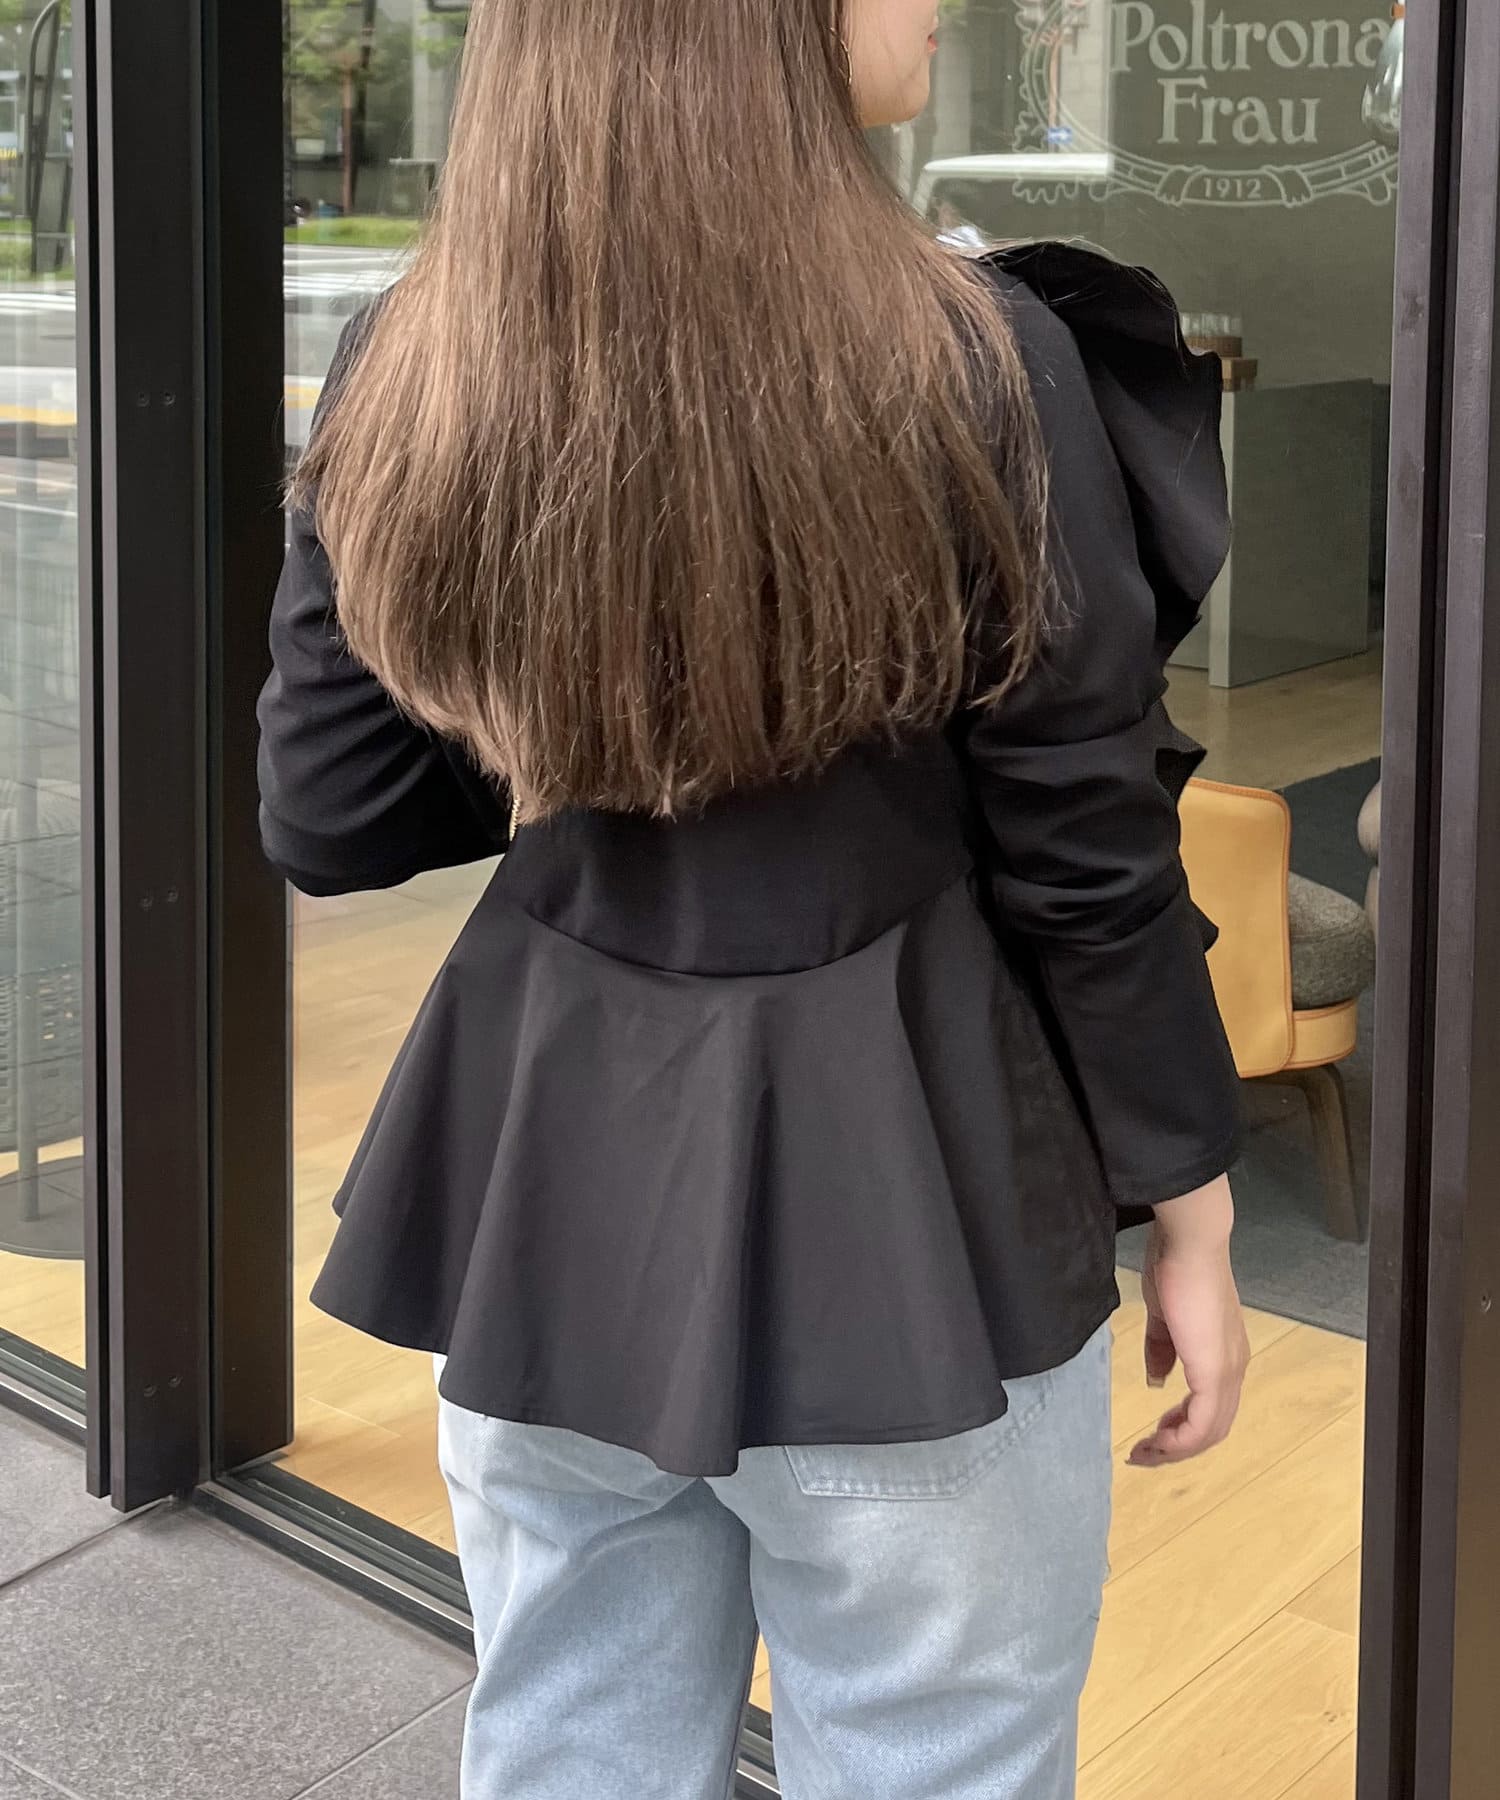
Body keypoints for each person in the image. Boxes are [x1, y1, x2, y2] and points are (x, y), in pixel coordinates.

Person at [256, 1, 1250, 1794]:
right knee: (935, 1752)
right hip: (917, 1206)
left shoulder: (415, 352)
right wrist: (1190, 1196)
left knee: (572, 1741)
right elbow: (1085, 854)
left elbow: (332, 812)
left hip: (549, 1188)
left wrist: (585, 688)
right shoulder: (979, 358)